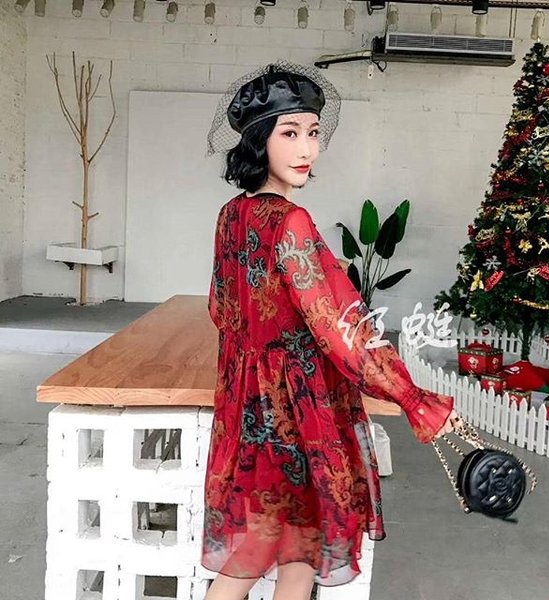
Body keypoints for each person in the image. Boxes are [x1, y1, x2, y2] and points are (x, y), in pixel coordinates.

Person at [203, 60, 462, 600]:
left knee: (287, 546)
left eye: (313, 133)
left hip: (247, 403)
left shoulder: (231, 214)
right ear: (258, 140)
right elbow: (340, 329)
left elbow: (223, 309)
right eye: (289, 133)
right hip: (295, 409)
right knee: (272, 549)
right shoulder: (290, 222)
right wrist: (412, 397)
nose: (307, 149)